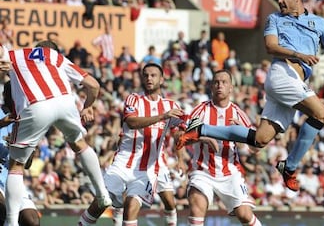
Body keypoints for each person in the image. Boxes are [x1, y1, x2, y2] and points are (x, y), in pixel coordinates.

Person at [176, 0, 324, 192]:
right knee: (322, 114)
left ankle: (201, 129)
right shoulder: (275, 19)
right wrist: (298, 54)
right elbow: (271, 46)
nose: (279, 0)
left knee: (260, 139)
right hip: (282, 74)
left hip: (296, 81)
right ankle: (289, 167)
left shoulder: (319, 24)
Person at [1, 40, 112, 226]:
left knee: (16, 165)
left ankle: (11, 222)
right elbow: (93, 85)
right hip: (65, 103)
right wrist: (88, 106)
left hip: (36, 105)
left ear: (36, 49)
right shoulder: (57, 57)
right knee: (80, 144)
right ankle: (102, 194)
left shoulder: (17, 54)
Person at [78, 63, 185, 226]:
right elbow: (132, 122)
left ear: (162, 79)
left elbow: (180, 132)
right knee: (101, 202)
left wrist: (181, 158)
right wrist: (162, 116)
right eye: (146, 75)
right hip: (123, 163)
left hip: (149, 168)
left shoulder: (171, 106)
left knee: (133, 206)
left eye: (153, 75)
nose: (149, 78)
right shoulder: (134, 99)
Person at [178, 69, 262, 226]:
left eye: (224, 82)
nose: (219, 85)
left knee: (244, 215)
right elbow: (180, 138)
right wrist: (203, 138)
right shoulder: (200, 110)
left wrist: (243, 136)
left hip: (230, 173)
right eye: (216, 82)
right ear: (211, 86)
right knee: (197, 209)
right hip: (202, 171)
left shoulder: (239, 114)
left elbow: (256, 149)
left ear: (231, 87)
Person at [0, 81, 40, 226]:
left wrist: (20, 148)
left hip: (13, 178)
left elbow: (27, 164)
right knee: (1, 209)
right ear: (5, 95)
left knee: (32, 221)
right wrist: (1, 124)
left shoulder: (27, 120)